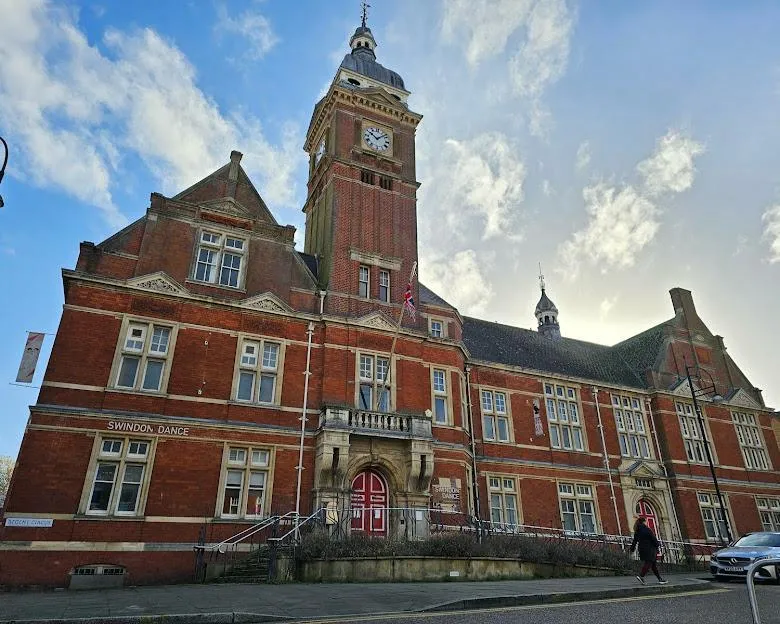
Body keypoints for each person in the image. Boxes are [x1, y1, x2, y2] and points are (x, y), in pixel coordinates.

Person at [630, 516, 667, 584]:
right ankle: (641, 576)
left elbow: (634, 541)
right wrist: (658, 545)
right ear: (644, 522)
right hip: (650, 549)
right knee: (649, 562)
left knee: (653, 565)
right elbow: (653, 538)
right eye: (646, 521)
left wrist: (632, 549)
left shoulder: (637, 530)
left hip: (642, 549)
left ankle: (660, 579)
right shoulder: (647, 529)